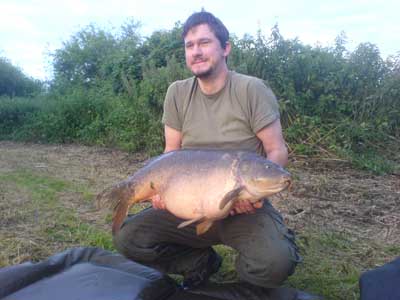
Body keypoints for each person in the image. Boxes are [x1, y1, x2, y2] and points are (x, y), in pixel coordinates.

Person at [113, 10, 301, 295]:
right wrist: (161, 194)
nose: (196, 52)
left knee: (275, 261)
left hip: (241, 207)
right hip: (189, 203)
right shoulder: (176, 93)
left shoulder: (251, 90)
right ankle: (199, 261)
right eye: (190, 46)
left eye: (204, 43)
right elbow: (170, 154)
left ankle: (244, 283)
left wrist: (256, 195)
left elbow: (277, 150)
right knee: (128, 237)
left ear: (225, 48)